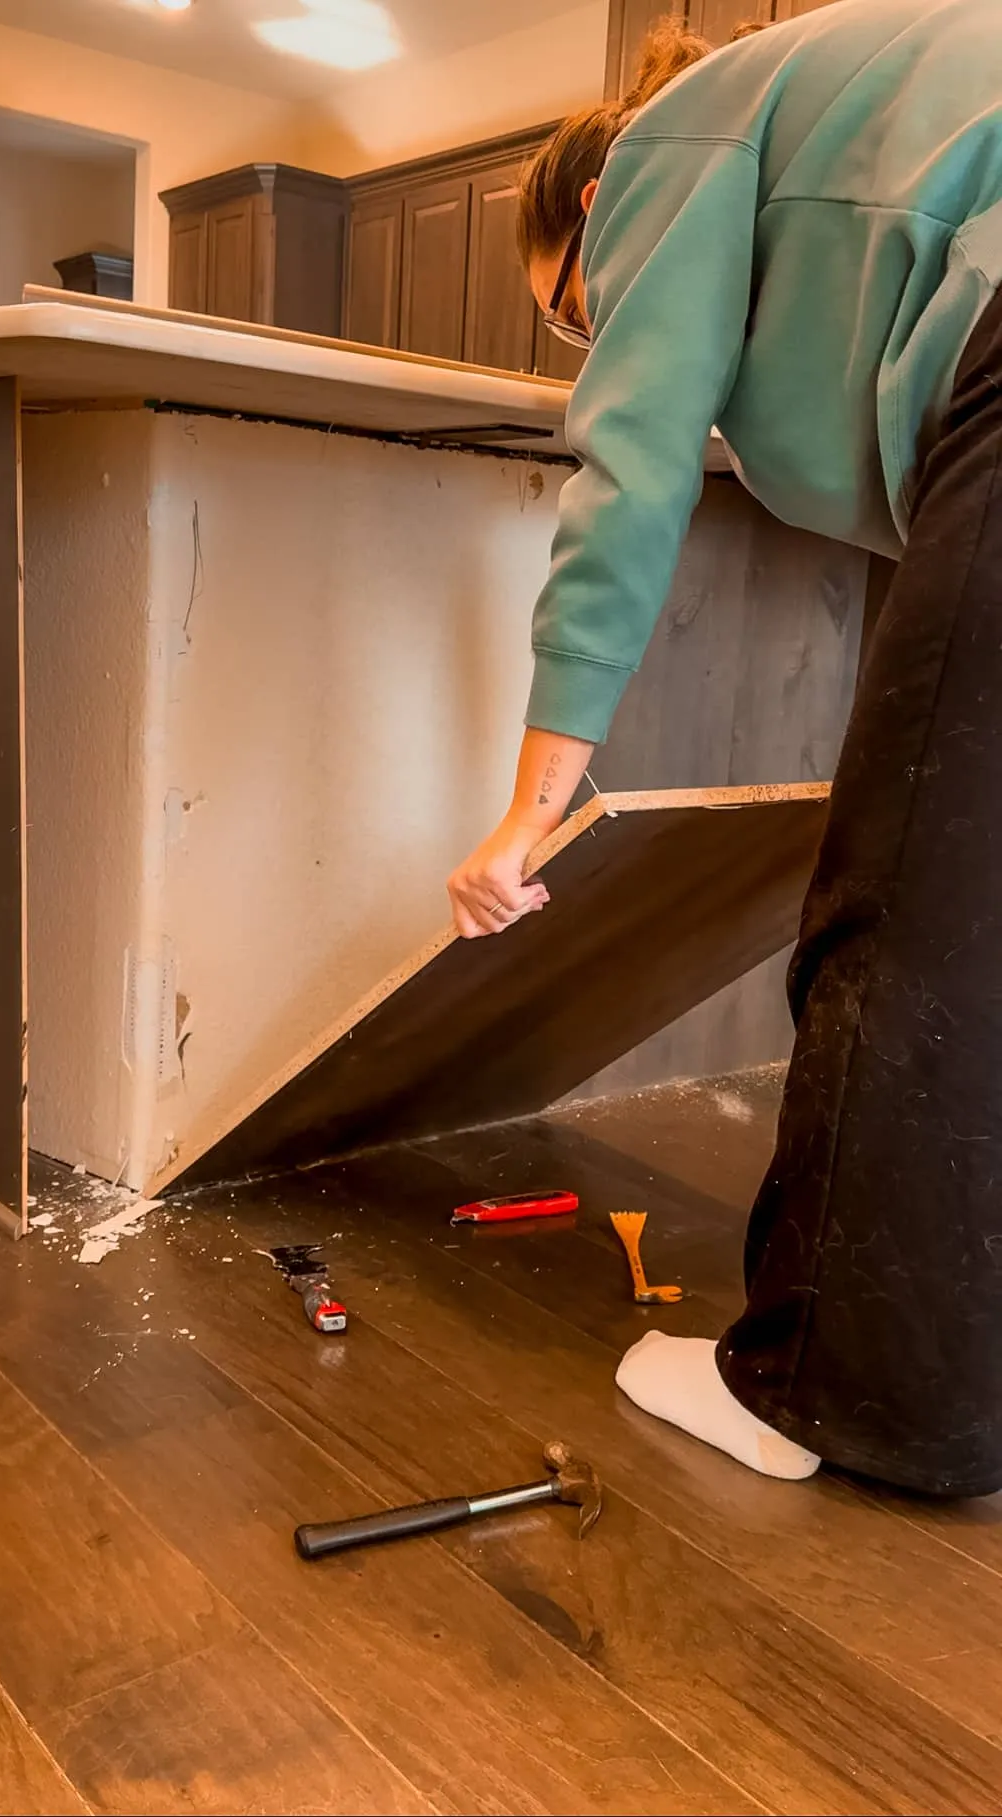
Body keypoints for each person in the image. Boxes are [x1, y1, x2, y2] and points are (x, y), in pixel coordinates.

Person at [446, 0, 1002, 1496]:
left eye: (572, 310)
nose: (593, 330)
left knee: (919, 923)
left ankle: (831, 1394)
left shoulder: (660, 152)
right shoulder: (810, 112)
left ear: (579, 215)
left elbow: (629, 473)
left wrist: (526, 810)